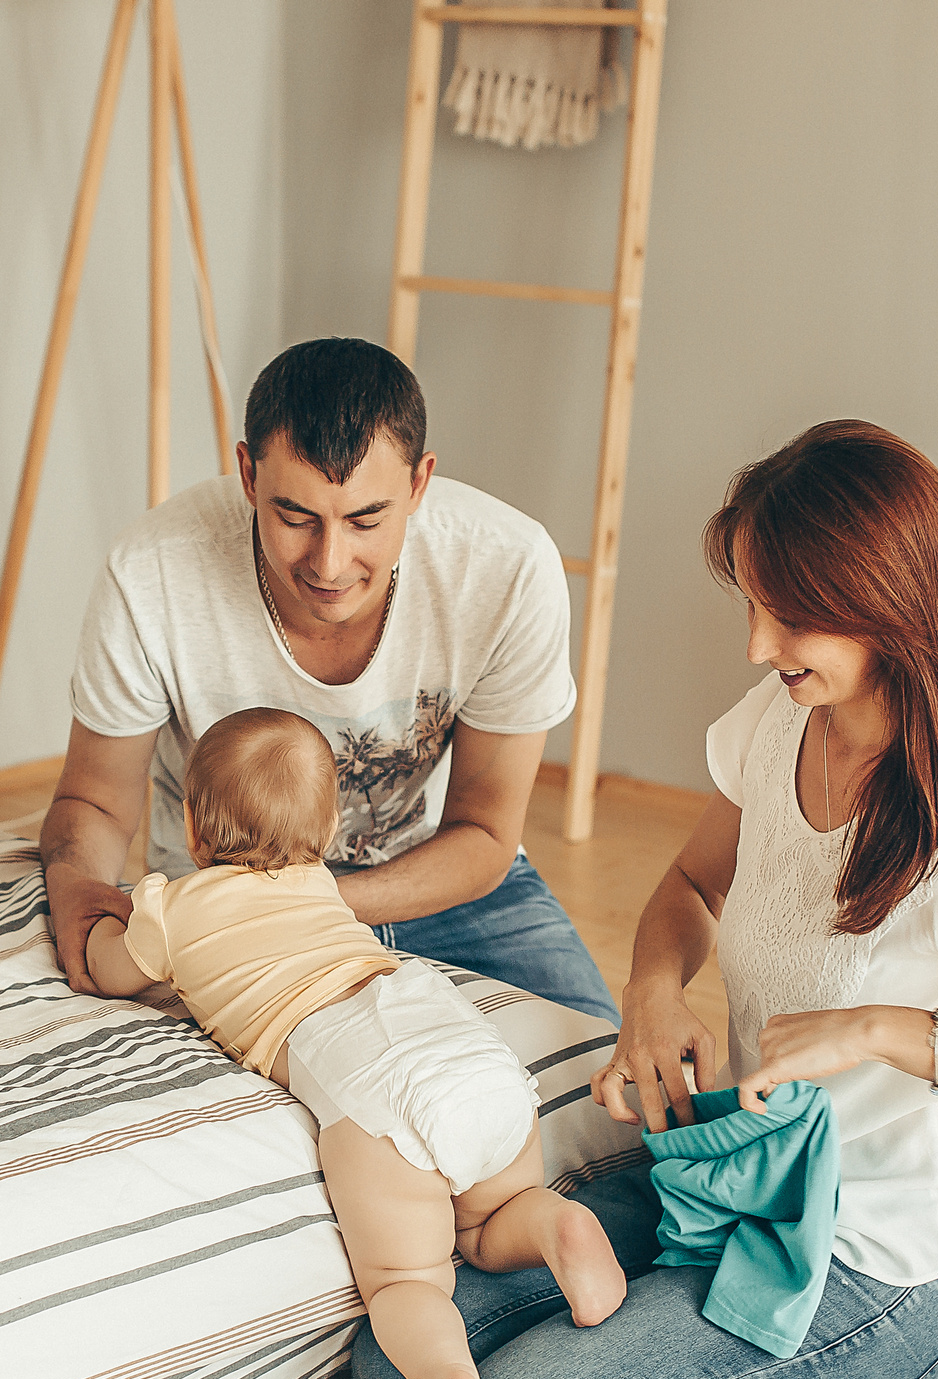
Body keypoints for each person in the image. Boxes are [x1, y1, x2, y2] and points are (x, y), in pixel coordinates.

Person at [349, 420, 938, 1379]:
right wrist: (654, 997)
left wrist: (884, 1029)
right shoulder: (783, 721)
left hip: (884, 1266)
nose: (757, 645)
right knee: (392, 1377)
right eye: (752, 606)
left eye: (788, 616)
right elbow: (688, 888)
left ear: (887, 601)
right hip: (733, 1187)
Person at [83, 708, 627, 1379]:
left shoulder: (175, 905)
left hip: (371, 1081)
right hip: (460, 1041)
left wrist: (118, 918)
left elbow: (107, 971)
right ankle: (558, 1225)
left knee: (408, 1282)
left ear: (192, 825)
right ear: (331, 828)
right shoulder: (325, 888)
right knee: (491, 1220)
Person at [45, 337, 618, 1025]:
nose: (329, 562)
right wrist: (76, 883)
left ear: (419, 484)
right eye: (295, 517)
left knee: (603, 1066)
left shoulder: (508, 569)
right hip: (219, 902)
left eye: (366, 519)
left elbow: (485, 834)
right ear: (248, 475)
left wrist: (304, 906)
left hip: (443, 883)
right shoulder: (150, 572)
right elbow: (97, 802)